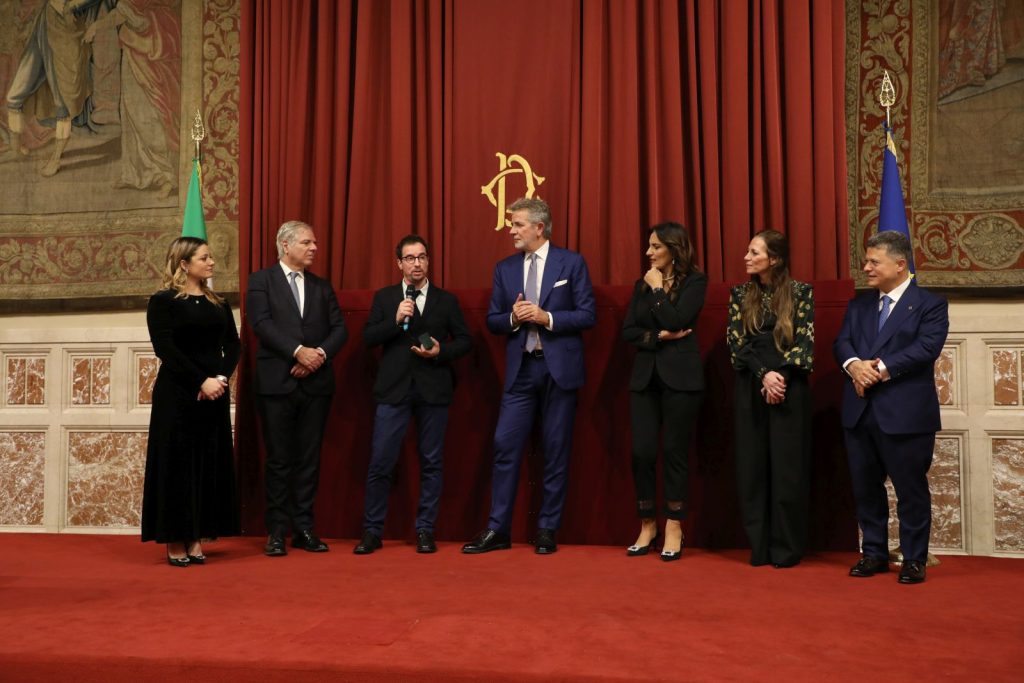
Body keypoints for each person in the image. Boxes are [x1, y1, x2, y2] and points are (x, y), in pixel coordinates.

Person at [462, 197, 596, 555]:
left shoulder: (572, 262)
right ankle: (498, 529)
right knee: (504, 446)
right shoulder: (504, 268)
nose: (511, 231)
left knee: (556, 450)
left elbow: (587, 315)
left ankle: (547, 529)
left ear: (539, 227)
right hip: (521, 371)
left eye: (518, 224)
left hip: (559, 371)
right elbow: (493, 320)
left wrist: (545, 317)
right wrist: (514, 318)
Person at [834, 231, 948, 584]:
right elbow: (842, 342)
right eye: (866, 261)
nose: (866, 268)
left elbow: (926, 348)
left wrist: (877, 370)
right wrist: (854, 365)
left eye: (874, 262)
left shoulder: (929, 304)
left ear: (900, 265)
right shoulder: (859, 304)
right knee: (866, 488)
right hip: (860, 412)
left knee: (910, 491)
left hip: (906, 414)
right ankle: (874, 554)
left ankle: (914, 558)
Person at [354, 235, 472, 555]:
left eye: (421, 257)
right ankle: (372, 531)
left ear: (428, 261)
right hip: (393, 390)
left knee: (431, 462)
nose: (416, 263)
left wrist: (440, 351)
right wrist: (395, 320)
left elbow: (465, 341)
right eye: (410, 258)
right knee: (381, 461)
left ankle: (425, 529)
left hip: (433, 390)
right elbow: (368, 338)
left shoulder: (446, 300)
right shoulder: (385, 298)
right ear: (399, 264)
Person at [246, 220, 348, 557]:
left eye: (314, 242)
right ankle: (276, 531)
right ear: (285, 245)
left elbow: (339, 329)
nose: (314, 248)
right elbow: (261, 323)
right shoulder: (261, 281)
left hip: (316, 385)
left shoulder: (321, 286)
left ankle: (304, 528)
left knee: (309, 459)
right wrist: (297, 351)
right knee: (279, 460)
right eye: (307, 242)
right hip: (277, 383)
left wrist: (317, 356)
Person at [141, 236, 240, 566]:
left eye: (211, 257)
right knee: (177, 465)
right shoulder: (163, 301)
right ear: (184, 264)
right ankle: (175, 538)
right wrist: (201, 380)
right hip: (178, 394)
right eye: (204, 258)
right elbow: (165, 349)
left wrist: (220, 379)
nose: (211, 263)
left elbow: (233, 345)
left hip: (213, 394)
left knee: (206, 464)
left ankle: (198, 534)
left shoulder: (219, 303)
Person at [727, 229, 814, 568]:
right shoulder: (740, 294)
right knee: (752, 469)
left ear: (774, 259)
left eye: (754, 252)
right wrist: (764, 374)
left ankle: (786, 549)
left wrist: (780, 378)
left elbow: (804, 343)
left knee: (787, 470)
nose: (746, 258)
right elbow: (737, 344)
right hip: (751, 385)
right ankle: (760, 548)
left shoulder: (801, 292)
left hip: (789, 388)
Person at [621, 222, 707, 561]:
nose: (649, 252)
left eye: (656, 246)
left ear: (674, 249)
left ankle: (673, 524)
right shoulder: (641, 284)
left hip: (682, 379)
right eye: (649, 246)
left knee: (674, 451)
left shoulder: (695, 282)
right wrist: (658, 338)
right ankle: (647, 523)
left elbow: (677, 320)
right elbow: (629, 331)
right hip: (645, 378)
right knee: (641, 452)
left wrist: (658, 290)